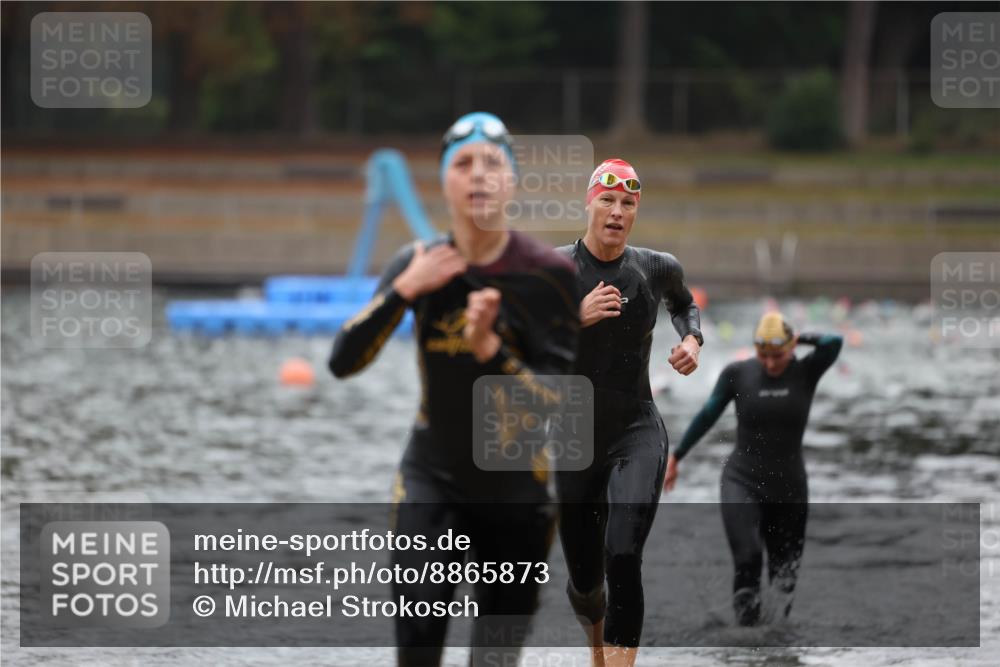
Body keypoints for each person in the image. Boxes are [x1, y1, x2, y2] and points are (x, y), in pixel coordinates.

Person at [329, 112, 580, 666]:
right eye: (462, 164)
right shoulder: (418, 266)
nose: (478, 176)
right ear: (444, 181)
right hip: (432, 482)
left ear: (512, 181)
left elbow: (564, 412)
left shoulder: (547, 278)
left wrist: (492, 351)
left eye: (493, 164)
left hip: (517, 496)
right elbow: (342, 362)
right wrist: (403, 291)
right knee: (417, 653)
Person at [555, 158, 703, 667]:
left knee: (623, 553)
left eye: (628, 204)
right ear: (589, 203)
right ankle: (597, 650)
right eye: (608, 201)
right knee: (584, 581)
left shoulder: (656, 267)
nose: (617, 212)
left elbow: (684, 304)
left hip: (636, 428)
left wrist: (693, 340)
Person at [665, 311, 843, 626]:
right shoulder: (738, 373)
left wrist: (797, 336)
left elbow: (834, 342)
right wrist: (677, 456)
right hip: (742, 481)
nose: (771, 363)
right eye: (764, 354)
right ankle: (746, 643)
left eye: (778, 354)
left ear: (791, 348)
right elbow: (708, 414)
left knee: (784, 575)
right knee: (748, 558)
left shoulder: (807, 370)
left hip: (789, 488)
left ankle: (774, 645)